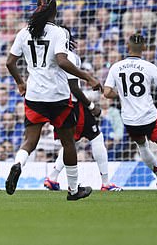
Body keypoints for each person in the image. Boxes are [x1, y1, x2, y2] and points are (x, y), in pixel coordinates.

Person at [5, 0, 101, 201]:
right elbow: (63, 61)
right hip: (57, 96)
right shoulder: (59, 32)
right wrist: (88, 77)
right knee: (68, 143)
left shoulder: (23, 33)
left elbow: (10, 62)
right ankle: (74, 190)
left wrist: (20, 83)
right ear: (55, 12)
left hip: (34, 95)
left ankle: (18, 164)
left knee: (30, 140)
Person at [44, 27, 122, 192]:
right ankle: (106, 183)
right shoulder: (69, 56)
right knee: (96, 138)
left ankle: (52, 177)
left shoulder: (50, 56)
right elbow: (74, 88)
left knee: (70, 143)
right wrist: (91, 106)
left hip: (57, 104)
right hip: (72, 105)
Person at [103, 33, 157, 192]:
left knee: (142, 146)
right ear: (144, 48)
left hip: (129, 121)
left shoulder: (116, 67)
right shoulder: (150, 67)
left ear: (127, 47)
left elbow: (107, 92)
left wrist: (121, 95)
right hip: (148, 117)